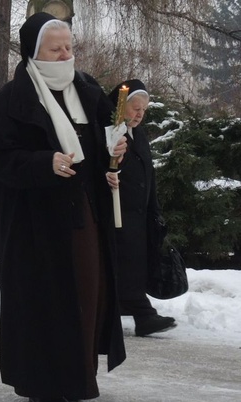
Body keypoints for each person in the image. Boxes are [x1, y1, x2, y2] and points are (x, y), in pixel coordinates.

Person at [0, 13, 127, 402]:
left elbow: (101, 143)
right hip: (36, 226)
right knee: (45, 300)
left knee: (85, 296)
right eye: (56, 48)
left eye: (69, 47)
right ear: (34, 52)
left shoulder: (88, 90)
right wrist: (44, 163)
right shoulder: (11, 101)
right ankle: (42, 385)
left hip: (84, 214)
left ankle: (77, 379)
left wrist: (114, 158)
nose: (66, 54)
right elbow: (0, 159)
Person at [106, 79, 177, 337]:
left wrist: (154, 210)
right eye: (135, 108)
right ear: (120, 106)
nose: (139, 114)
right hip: (117, 214)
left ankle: (129, 313)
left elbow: (149, 175)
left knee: (132, 266)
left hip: (140, 215)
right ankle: (143, 314)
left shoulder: (140, 134)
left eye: (144, 110)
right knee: (125, 266)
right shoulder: (111, 133)